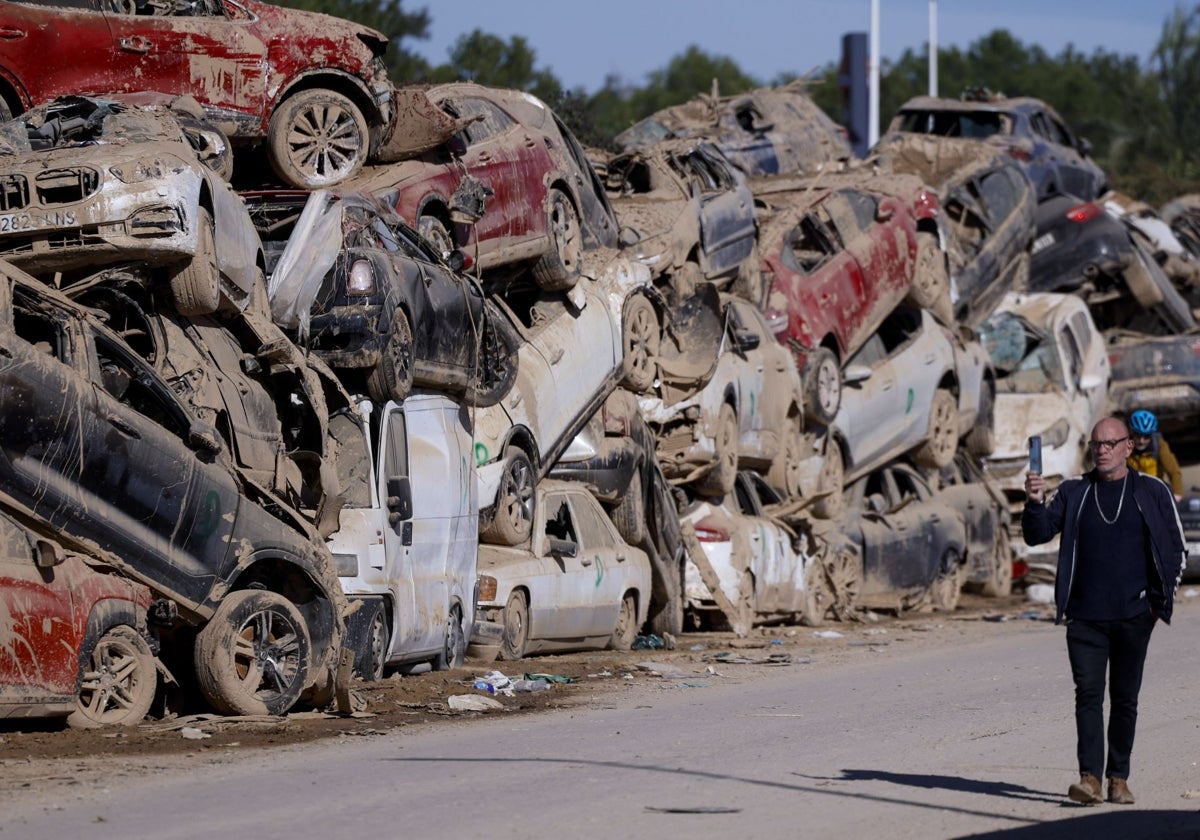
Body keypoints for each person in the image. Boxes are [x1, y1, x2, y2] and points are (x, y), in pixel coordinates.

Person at [1023, 416, 1186, 806]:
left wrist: (1156, 605)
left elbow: (1176, 548)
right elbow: (1037, 534)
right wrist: (1033, 503)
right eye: (1097, 444)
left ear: (1128, 447)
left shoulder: (1152, 491)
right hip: (1085, 618)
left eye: (1110, 444)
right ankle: (1090, 779)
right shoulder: (1074, 492)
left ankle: (1118, 778)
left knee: (1125, 698)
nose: (1102, 450)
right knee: (1089, 696)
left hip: (1134, 617)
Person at [1126, 409, 1184, 502]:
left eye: (1146, 436)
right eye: (1137, 435)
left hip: (1153, 494)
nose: (1141, 440)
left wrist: (1177, 494)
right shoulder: (1125, 445)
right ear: (1131, 432)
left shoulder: (1159, 446)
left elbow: (1174, 471)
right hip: (1130, 494)